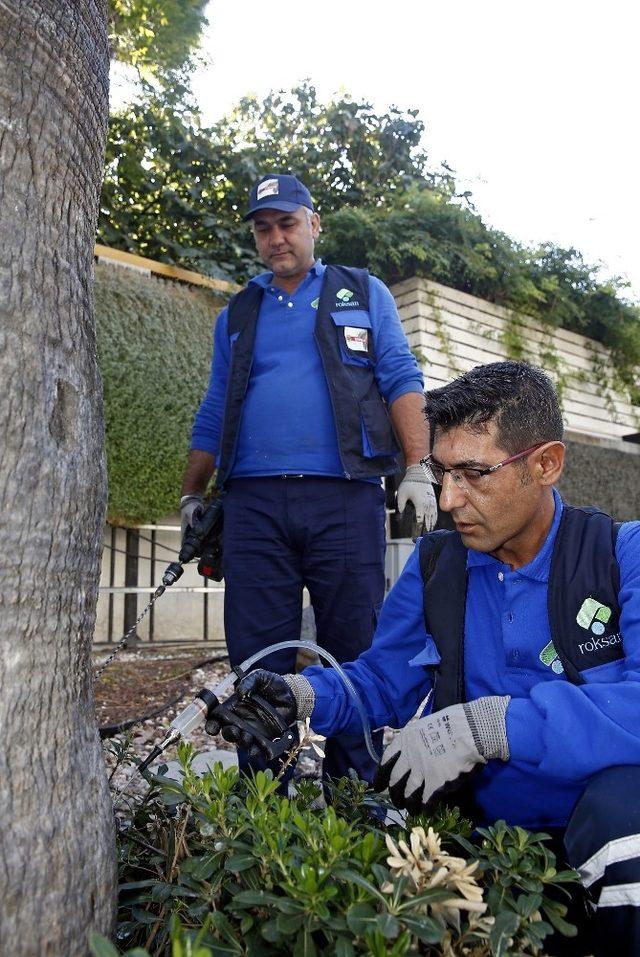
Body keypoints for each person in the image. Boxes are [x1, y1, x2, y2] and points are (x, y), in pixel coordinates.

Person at [216, 360, 640, 956]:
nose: (449, 499)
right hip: (486, 850)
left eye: (474, 473)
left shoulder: (621, 555)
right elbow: (382, 683)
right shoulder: (439, 565)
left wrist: (486, 726)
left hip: (602, 842)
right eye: (442, 473)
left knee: (626, 819)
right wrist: (301, 695)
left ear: (546, 464)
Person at [181, 172, 437, 785]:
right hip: (254, 506)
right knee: (256, 650)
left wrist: (420, 469)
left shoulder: (362, 292)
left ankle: (354, 788)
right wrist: (192, 493)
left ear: (314, 223)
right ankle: (266, 792)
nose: (276, 238)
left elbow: (401, 376)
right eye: (263, 228)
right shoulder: (238, 312)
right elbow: (217, 405)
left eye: (287, 223)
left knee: (353, 641)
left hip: (344, 498)